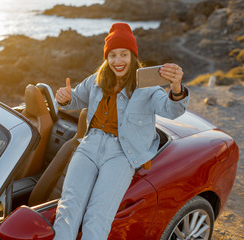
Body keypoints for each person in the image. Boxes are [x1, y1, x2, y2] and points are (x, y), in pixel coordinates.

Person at [53, 22, 190, 240]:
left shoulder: (148, 87)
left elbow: (171, 110)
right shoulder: (96, 80)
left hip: (122, 153)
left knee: (97, 217)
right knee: (67, 210)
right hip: (89, 146)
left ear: (133, 56)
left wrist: (175, 87)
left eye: (124, 54)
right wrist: (65, 98)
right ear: (106, 57)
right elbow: (74, 100)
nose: (118, 61)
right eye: (113, 55)